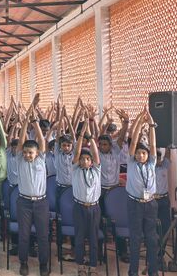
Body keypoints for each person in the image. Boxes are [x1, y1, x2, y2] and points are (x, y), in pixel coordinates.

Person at [14, 97, 49, 276]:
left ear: (37, 153)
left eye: (31, 153)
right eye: (26, 152)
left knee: (43, 235)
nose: (28, 155)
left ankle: (44, 264)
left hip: (41, 202)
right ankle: (24, 262)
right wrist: (26, 119)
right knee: (24, 235)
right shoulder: (20, 159)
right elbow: (21, 142)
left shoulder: (41, 158)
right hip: (24, 203)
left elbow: (41, 141)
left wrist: (35, 122)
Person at [126, 107, 159, 276]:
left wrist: (151, 124)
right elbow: (132, 142)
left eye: (143, 153)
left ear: (148, 155)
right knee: (135, 239)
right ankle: (133, 271)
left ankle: (153, 271)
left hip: (150, 204)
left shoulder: (152, 163)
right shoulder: (131, 163)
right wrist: (139, 121)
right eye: (138, 153)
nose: (140, 155)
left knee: (152, 239)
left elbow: (153, 144)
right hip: (135, 204)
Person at [71, 115, 102, 276]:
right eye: (82, 159)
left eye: (87, 159)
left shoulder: (96, 170)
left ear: (91, 161)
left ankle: (93, 266)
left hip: (94, 208)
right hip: (79, 207)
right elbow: (76, 153)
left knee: (93, 238)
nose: (84, 161)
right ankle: (80, 266)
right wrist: (82, 135)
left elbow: (96, 154)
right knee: (80, 237)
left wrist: (90, 136)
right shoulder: (75, 170)